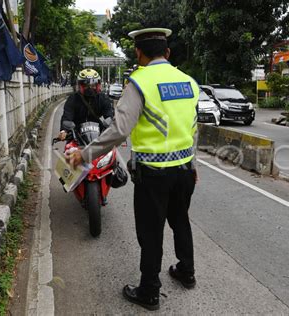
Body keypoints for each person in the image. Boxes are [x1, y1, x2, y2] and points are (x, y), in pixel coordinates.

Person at [67, 28, 199, 311]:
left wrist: (84, 154)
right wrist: (194, 164)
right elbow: (193, 127)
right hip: (185, 169)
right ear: (168, 52)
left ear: (139, 53)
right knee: (180, 220)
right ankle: (186, 272)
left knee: (151, 232)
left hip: (154, 172)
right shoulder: (189, 82)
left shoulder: (139, 82)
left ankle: (149, 291)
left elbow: (119, 130)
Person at [57, 68, 114, 141]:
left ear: (98, 85)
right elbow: (67, 116)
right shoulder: (73, 98)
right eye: (86, 85)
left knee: (111, 150)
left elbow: (109, 115)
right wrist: (64, 131)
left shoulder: (103, 98)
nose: (90, 88)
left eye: (93, 85)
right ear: (80, 86)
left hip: (98, 135)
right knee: (69, 150)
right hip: (76, 135)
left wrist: (111, 125)